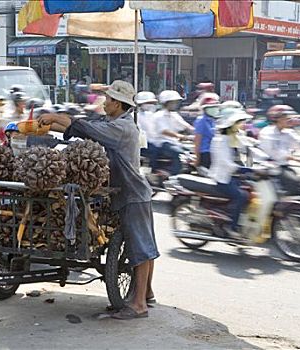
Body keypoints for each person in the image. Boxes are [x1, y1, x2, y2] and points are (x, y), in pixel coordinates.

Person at [38, 80, 159, 320]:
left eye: (109, 99)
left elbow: (86, 129)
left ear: (118, 104)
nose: (104, 102)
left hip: (133, 195)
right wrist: (51, 122)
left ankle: (138, 305)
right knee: (142, 246)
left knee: (141, 250)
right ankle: (147, 294)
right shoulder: (113, 122)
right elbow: (80, 126)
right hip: (128, 194)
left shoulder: (122, 129)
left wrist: (53, 116)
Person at [209, 110, 252, 237]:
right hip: (223, 177)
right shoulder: (220, 140)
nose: (242, 125)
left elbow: (250, 149)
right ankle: (232, 226)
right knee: (242, 196)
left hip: (235, 176)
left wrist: (266, 160)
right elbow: (224, 162)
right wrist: (241, 169)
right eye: (239, 123)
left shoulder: (235, 137)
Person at [259, 105, 300, 192]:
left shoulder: (288, 132)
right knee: (295, 183)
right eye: (286, 117)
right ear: (277, 118)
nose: (290, 120)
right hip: (272, 167)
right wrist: (296, 158)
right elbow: (274, 153)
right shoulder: (267, 132)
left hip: (285, 165)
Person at [151, 90, 193, 176]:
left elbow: (185, 125)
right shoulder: (158, 116)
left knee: (189, 152)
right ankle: (171, 174)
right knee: (178, 153)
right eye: (173, 102)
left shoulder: (174, 115)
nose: (175, 104)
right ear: (166, 103)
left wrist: (197, 132)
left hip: (173, 142)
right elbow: (163, 131)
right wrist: (182, 136)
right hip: (162, 143)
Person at [193, 93, 221, 169]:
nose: (214, 109)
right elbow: (197, 141)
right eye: (211, 107)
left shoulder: (212, 121)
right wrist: (197, 158)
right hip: (205, 154)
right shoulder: (201, 121)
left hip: (213, 153)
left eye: (215, 107)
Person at [135, 91, 158, 160]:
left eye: (151, 103)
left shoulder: (152, 115)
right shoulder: (135, 116)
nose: (150, 105)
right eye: (148, 103)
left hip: (154, 142)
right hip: (142, 145)